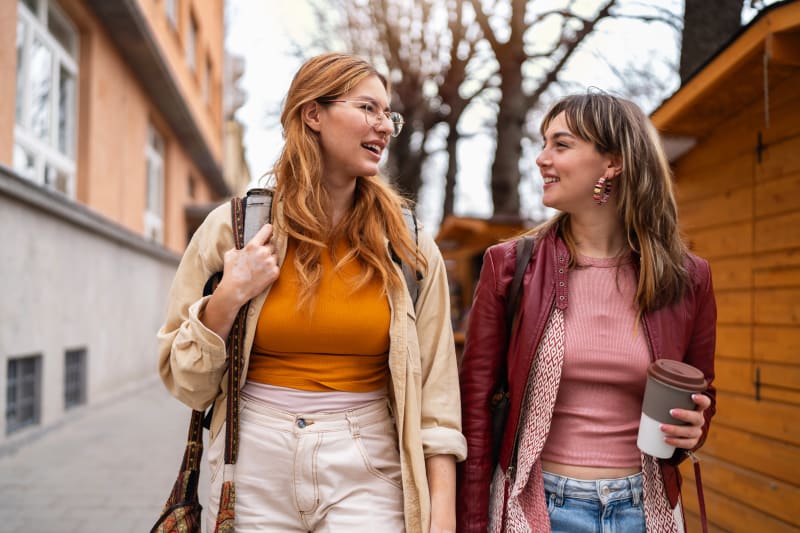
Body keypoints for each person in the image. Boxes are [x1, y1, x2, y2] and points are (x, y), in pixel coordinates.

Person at [158, 52, 466, 533]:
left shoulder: (408, 246)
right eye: (368, 109)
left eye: (390, 115)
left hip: (368, 460)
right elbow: (187, 384)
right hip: (253, 456)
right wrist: (228, 298)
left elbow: (438, 399)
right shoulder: (234, 230)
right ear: (313, 114)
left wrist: (441, 515)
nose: (384, 126)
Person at [456, 93, 716, 532]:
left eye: (561, 144)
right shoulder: (509, 266)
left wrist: (695, 428)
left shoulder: (688, 278)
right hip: (538, 510)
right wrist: (472, 523)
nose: (541, 159)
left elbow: (701, 393)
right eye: (543, 144)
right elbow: (476, 412)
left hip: (645, 513)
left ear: (611, 162)